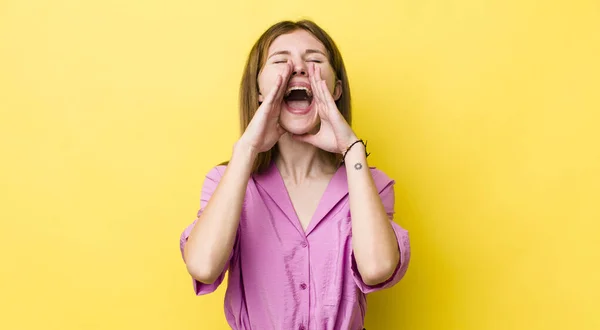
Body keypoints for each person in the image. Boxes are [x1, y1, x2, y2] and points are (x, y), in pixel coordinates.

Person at [179, 19, 411, 330]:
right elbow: (204, 266)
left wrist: (353, 150)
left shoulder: (370, 184)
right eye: (281, 61)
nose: (298, 68)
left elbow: (377, 268)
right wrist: (247, 149)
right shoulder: (227, 182)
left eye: (314, 60)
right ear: (259, 90)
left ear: (336, 89)